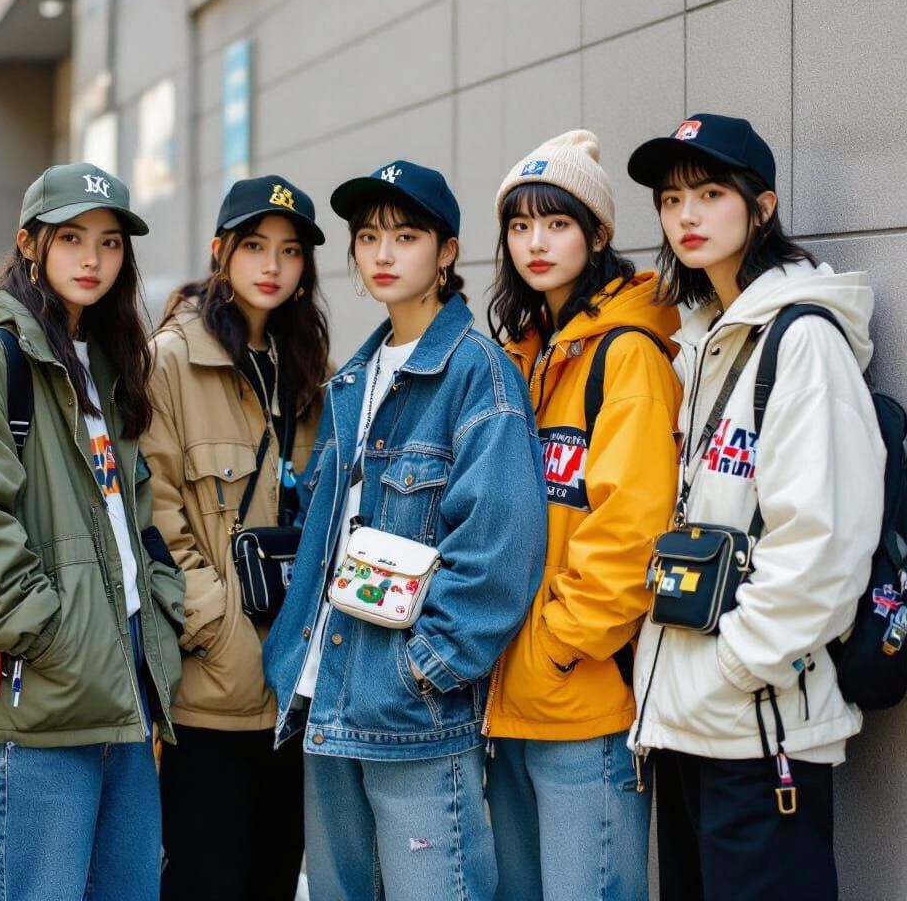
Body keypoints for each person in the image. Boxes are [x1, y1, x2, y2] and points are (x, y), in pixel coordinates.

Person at [263, 160, 547, 901]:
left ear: (447, 252)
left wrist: (424, 668)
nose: (383, 254)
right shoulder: (352, 381)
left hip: (413, 710)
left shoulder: (477, 374)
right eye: (367, 237)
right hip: (324, 697)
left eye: (406, 236)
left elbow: (500, 549)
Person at [627, 114, 886, 901]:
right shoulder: (704, 341)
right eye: (672, 200)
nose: (687, 216)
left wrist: (735, 669)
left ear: (762, 207)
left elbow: (823, 543)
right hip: (688, 725)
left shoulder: (802, 340)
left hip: (759, 726)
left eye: (711, 194)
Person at [0, 162, 185, 901]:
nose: (92, 258)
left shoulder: (104, 360)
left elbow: (131, 512)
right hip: (41, 683)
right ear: (29, 244)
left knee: (127, 888)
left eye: (109, 241)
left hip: (123, 674)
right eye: (71, 238)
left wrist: (159, 607)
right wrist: (49, 635)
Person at [484, 130, 682, 900]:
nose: (535, 243)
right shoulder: (526, 355)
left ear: (598, 235)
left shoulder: (626, 354)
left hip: (581, 695)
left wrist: (559, 647)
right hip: (509, 696)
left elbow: (632, 526)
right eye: (520, 225)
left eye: (557, 223)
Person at [143, 175, 329, 901]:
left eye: (290, 251)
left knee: (274, 879)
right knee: (206, 880)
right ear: (220, 252)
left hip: (293, 687)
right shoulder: (170, 361)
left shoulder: (308, 368)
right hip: (211, 691)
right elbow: (155, 514)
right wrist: (217, 629)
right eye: (254, 246)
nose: (272, 265)